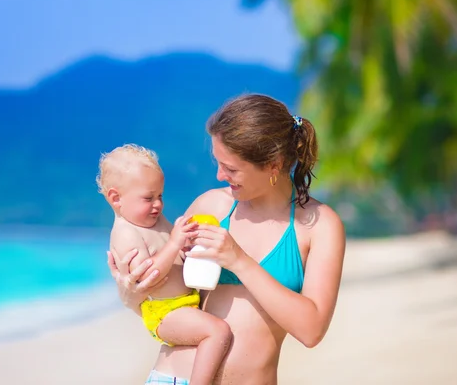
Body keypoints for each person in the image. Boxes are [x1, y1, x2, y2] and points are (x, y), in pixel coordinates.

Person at [106, 94, 347, 384]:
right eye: (218, 163)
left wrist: (238, 260)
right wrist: (130, 294)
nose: (220, 175)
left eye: (231, 168)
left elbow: (311, 330)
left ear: (273, 164)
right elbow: (162, 297)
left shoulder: (318, 225)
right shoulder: (211, 206)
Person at [96, 144, 233, 385]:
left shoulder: (155, 220)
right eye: (148, 198)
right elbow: (147, 277)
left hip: (183, 304)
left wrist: (187, 243)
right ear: (116, 198)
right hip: (164, 311)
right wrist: (174, 242)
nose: (158, 204)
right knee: (217, 332)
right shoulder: (125, 233)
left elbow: (175, 250)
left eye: (160, 196)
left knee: (215, 330)